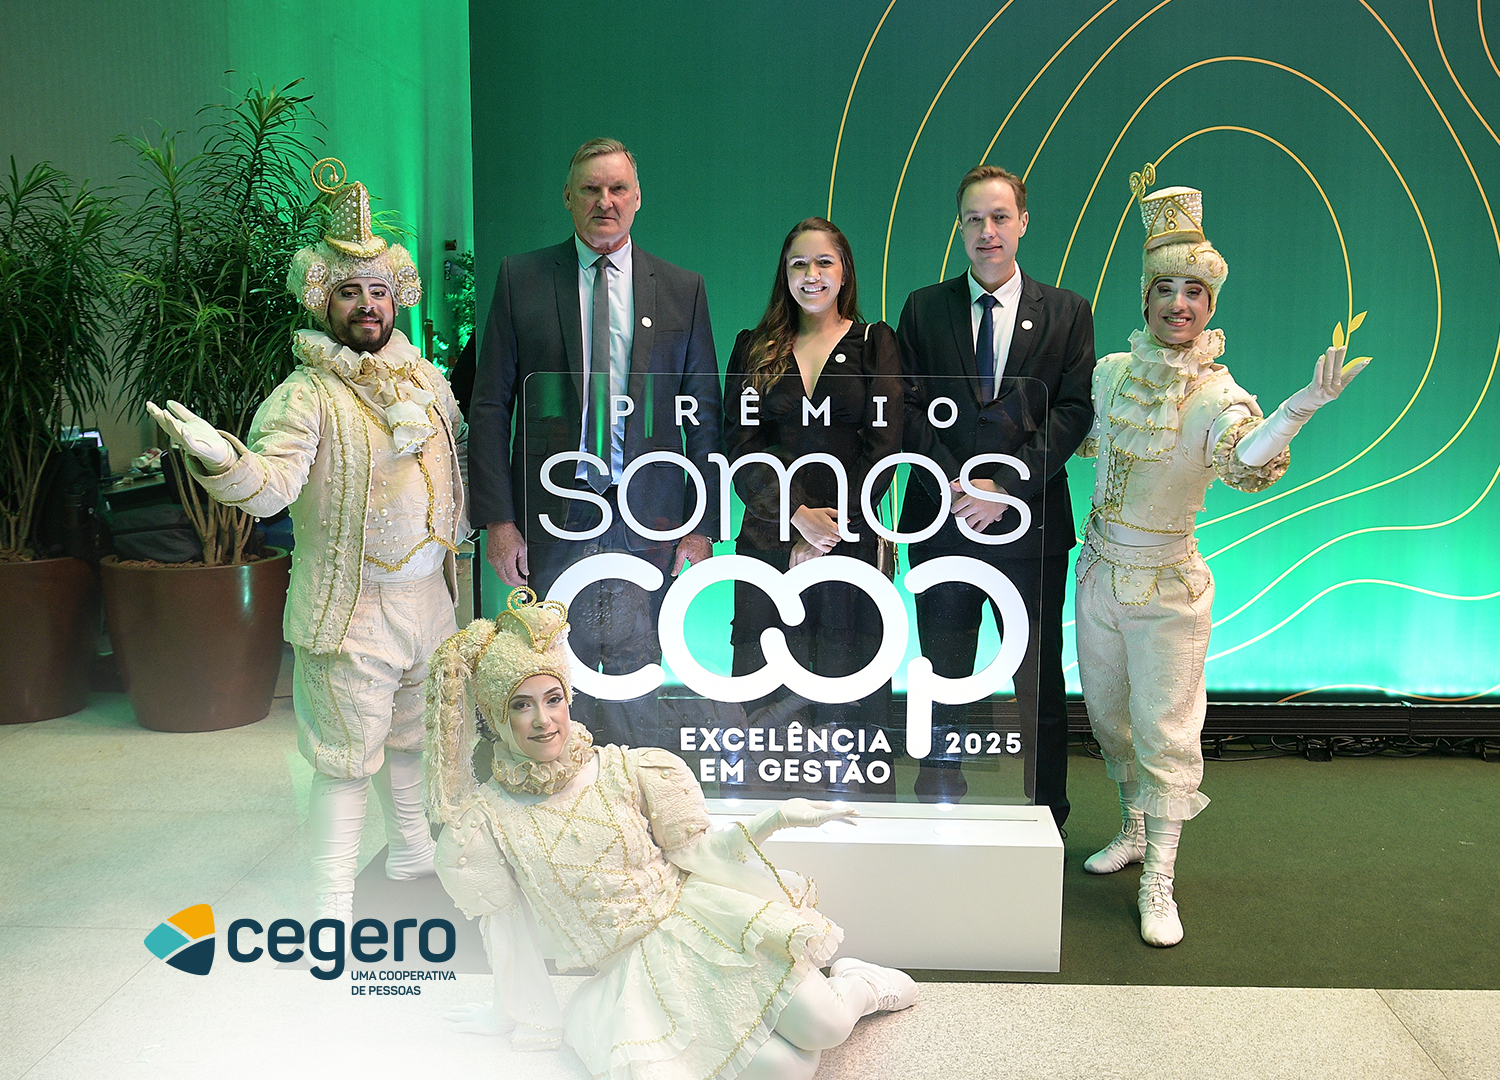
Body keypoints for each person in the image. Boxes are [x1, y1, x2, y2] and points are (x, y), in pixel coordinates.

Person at [147, 161, 467, 925]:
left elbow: (459, 468)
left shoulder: (427, 383)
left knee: (414, 740)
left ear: (397, 297)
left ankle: (413, 855)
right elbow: (270, 490)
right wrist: (222, 459)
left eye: (378, 291)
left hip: (429, 598)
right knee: (345, 757)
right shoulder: (305, 395)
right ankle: (330, 901)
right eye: (350, 292)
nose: (367, 305)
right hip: (351, 610)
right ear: (324, 299)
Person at [423, 589, 918, 1080]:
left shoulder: (626, 769)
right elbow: (508, 931)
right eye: (521, 705)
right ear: (496, 716)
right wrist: (510, 1012)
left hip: (700, 924)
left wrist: (775, 818)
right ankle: (765, 1022)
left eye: (554, 699)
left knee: (828, 1026)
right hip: (627, 980)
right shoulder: (486, 821)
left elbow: (699, 852)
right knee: (786, 1072)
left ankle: (860, 982)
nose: (543, 720)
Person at [1075, 180, 1368, 946]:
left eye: (1193, 293)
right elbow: (1073, 437)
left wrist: (1298, 409)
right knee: (1110, 719)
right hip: (1097, 574)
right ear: (1145, 298)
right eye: (1165, 290)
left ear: (1210, 305)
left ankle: (1161, 877)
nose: (1178, 305)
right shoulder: (1110, 373)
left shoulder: (1218, 394)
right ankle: (1132, 829)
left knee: (1166, 729)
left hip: (1168, 588)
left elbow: (1247, 456)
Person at [467, 137, 721, 750]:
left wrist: (702, 525)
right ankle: (561, 791)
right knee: (553, 668)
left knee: (637, 671)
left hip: (650, 514)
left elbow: (705, 416)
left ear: (637, 198)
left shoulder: (682, 288)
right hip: (553, 514)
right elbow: (490, 405)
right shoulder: (521, 279)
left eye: (617, 189)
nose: (605, 201)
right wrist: (499, 521)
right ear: (568, 197)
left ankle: (634, 788)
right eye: (590, 189)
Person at [896, 165, 1095, 816]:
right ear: (960, 228)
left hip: (1031, 528)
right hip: (942, 519)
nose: (988, 231)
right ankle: (938, 808)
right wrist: (959, 484)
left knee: (1037, 678)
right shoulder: (924, 308)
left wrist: (1002, 486)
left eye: (1000, 217)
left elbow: (1073, 411)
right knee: (943, 674)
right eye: (974, 219)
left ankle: (1047, 815)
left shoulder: (1067, 312)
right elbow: (907, 406)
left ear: (1023, 223)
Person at [722, 218, 902, 797]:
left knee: (847, 685)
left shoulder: (876, 342)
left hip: (853, 541)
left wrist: (828, 528)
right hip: (767, 542)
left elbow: (885, 446)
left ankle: (855, 816)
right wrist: (797, 517)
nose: (811, 274)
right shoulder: (753, 347)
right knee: (766, 685)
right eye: (799, 263)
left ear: (844, 271)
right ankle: (766, 819)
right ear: (784, 273)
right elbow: (739, 447)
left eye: (824, 261)